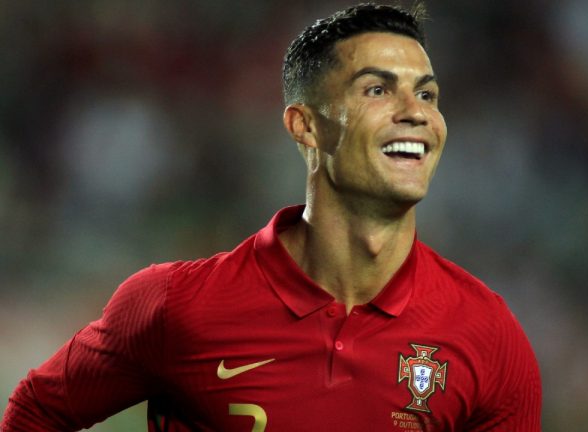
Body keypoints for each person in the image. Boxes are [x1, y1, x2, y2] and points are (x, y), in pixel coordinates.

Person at [2, 3, 541, 431]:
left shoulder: (488, 336)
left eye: (427, 94)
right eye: (378, 89)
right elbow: (36, 414)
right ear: (305, 126)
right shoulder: (175, 307)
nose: (416, 111)